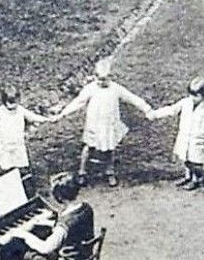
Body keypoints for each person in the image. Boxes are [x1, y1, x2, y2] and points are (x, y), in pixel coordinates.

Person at [54, 58, 153, 187]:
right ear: (95, 77)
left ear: (110, 77)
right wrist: (63, 113)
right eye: (99, 79)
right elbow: (78, 102)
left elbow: (132, 98)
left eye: (105, 79)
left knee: (110, 148)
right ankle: (82, 172)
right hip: (94, 124)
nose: (102, 82)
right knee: (89, 147)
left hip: (109, 123)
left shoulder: (116, 88)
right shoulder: (90, 89)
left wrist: (146, 108)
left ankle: (109, 172)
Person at [146, 76, 204, 190]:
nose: (192, 98)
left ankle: (196, 179)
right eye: (191, 94)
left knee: (196, 162)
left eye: (196, 95)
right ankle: (188, 176)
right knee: (186, 159)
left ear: (203, 95)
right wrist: (156, 114)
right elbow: (172, 109)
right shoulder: (185, 102)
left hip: (198, 140)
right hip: (185, 137)